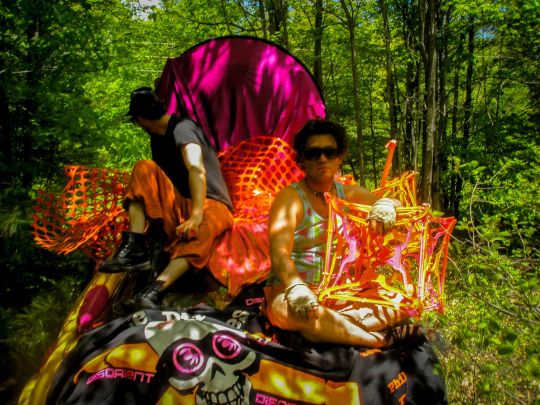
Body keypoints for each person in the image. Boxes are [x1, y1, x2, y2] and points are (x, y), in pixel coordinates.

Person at [264, 119, 422, 348]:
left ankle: (331, 327)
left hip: (341, 293)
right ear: (302, 160)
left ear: (340, 157)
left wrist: (387, 205)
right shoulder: (290, 199)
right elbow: (279, 253)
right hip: (294, 292)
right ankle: (378, 340)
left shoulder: (347, 194)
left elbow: (395, 204)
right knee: (284, 312)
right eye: (313, 153)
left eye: (330, 152)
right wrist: (295, 286)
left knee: (403, 302)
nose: (322, 159)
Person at [100, 87, 234, 310]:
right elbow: (157, 186)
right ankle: (135, 246)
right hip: (180, 204)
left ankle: (154, 290)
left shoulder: (182, 127)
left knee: (201, 230)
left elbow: (196, 169)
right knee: (143, 167)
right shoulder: (157, 139)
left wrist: (196, 216)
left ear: (140, 119)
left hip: (212, 204)